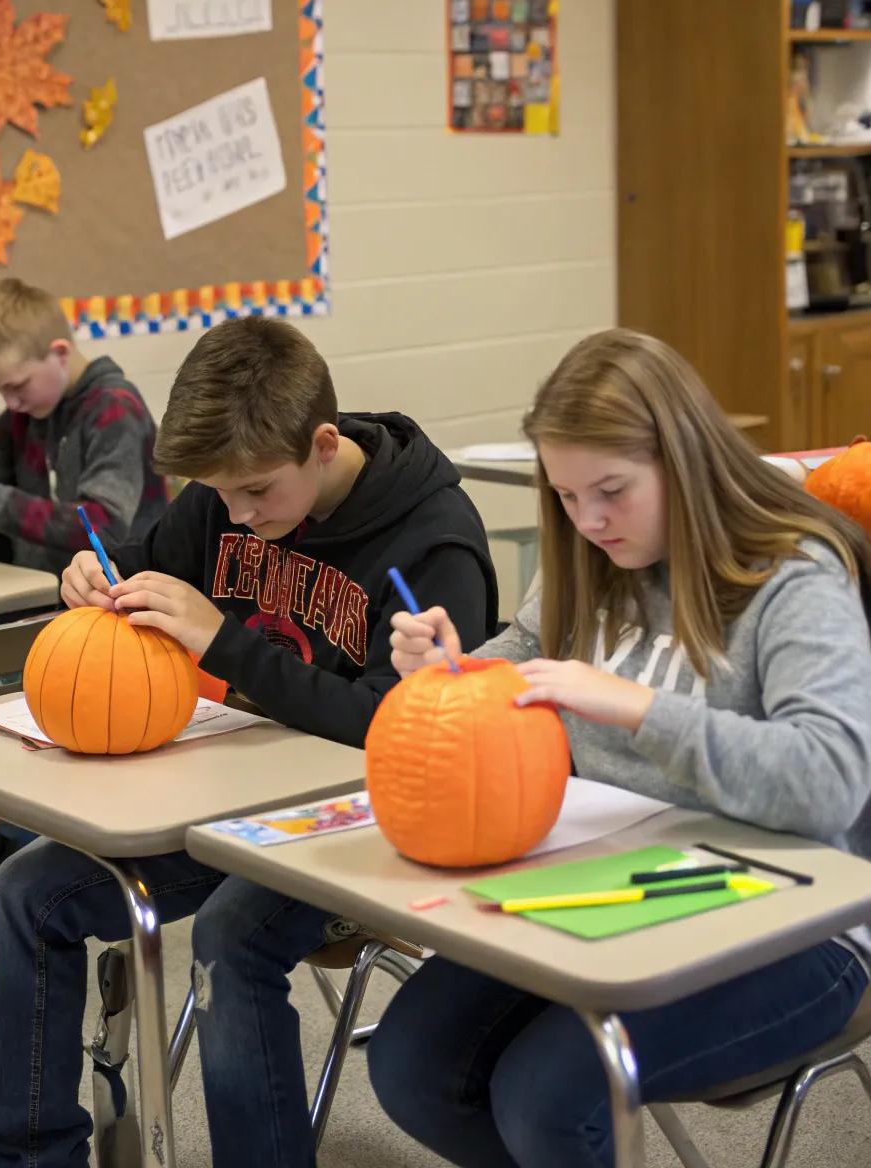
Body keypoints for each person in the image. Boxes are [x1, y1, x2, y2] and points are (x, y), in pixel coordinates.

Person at [0, 315, 497, 1168]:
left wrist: (225, 644)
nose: (236, 515)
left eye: (255, 494)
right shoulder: (227, 492)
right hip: (238, 798)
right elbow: (155, 558)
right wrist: (99, 573)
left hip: (369, 817)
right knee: (31, 888)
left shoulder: (434, 539)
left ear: (321, 444)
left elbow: (405, 728)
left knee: (232, 936)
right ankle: (26, 1159)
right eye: (218, 494)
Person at [369, 327, 871, 1168]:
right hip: (623, 887)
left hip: (799, 922)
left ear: (684, 460)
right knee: (413, 1064)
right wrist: (450, 667)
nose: (589, 520)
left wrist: (642, 711)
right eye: (565, 497)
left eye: (612, 490)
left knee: (549, 1097)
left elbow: (829, 783)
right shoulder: (590, 559)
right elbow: (523, 668)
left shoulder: (791, 574)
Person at [0, 278, 166, 578]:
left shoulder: (116, 410)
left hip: (124, 596)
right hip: (54, 590)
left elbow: (101, 525)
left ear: (60, 353)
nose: (12, 403)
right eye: (1, 393)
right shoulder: (30, 411)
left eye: (17, 386)